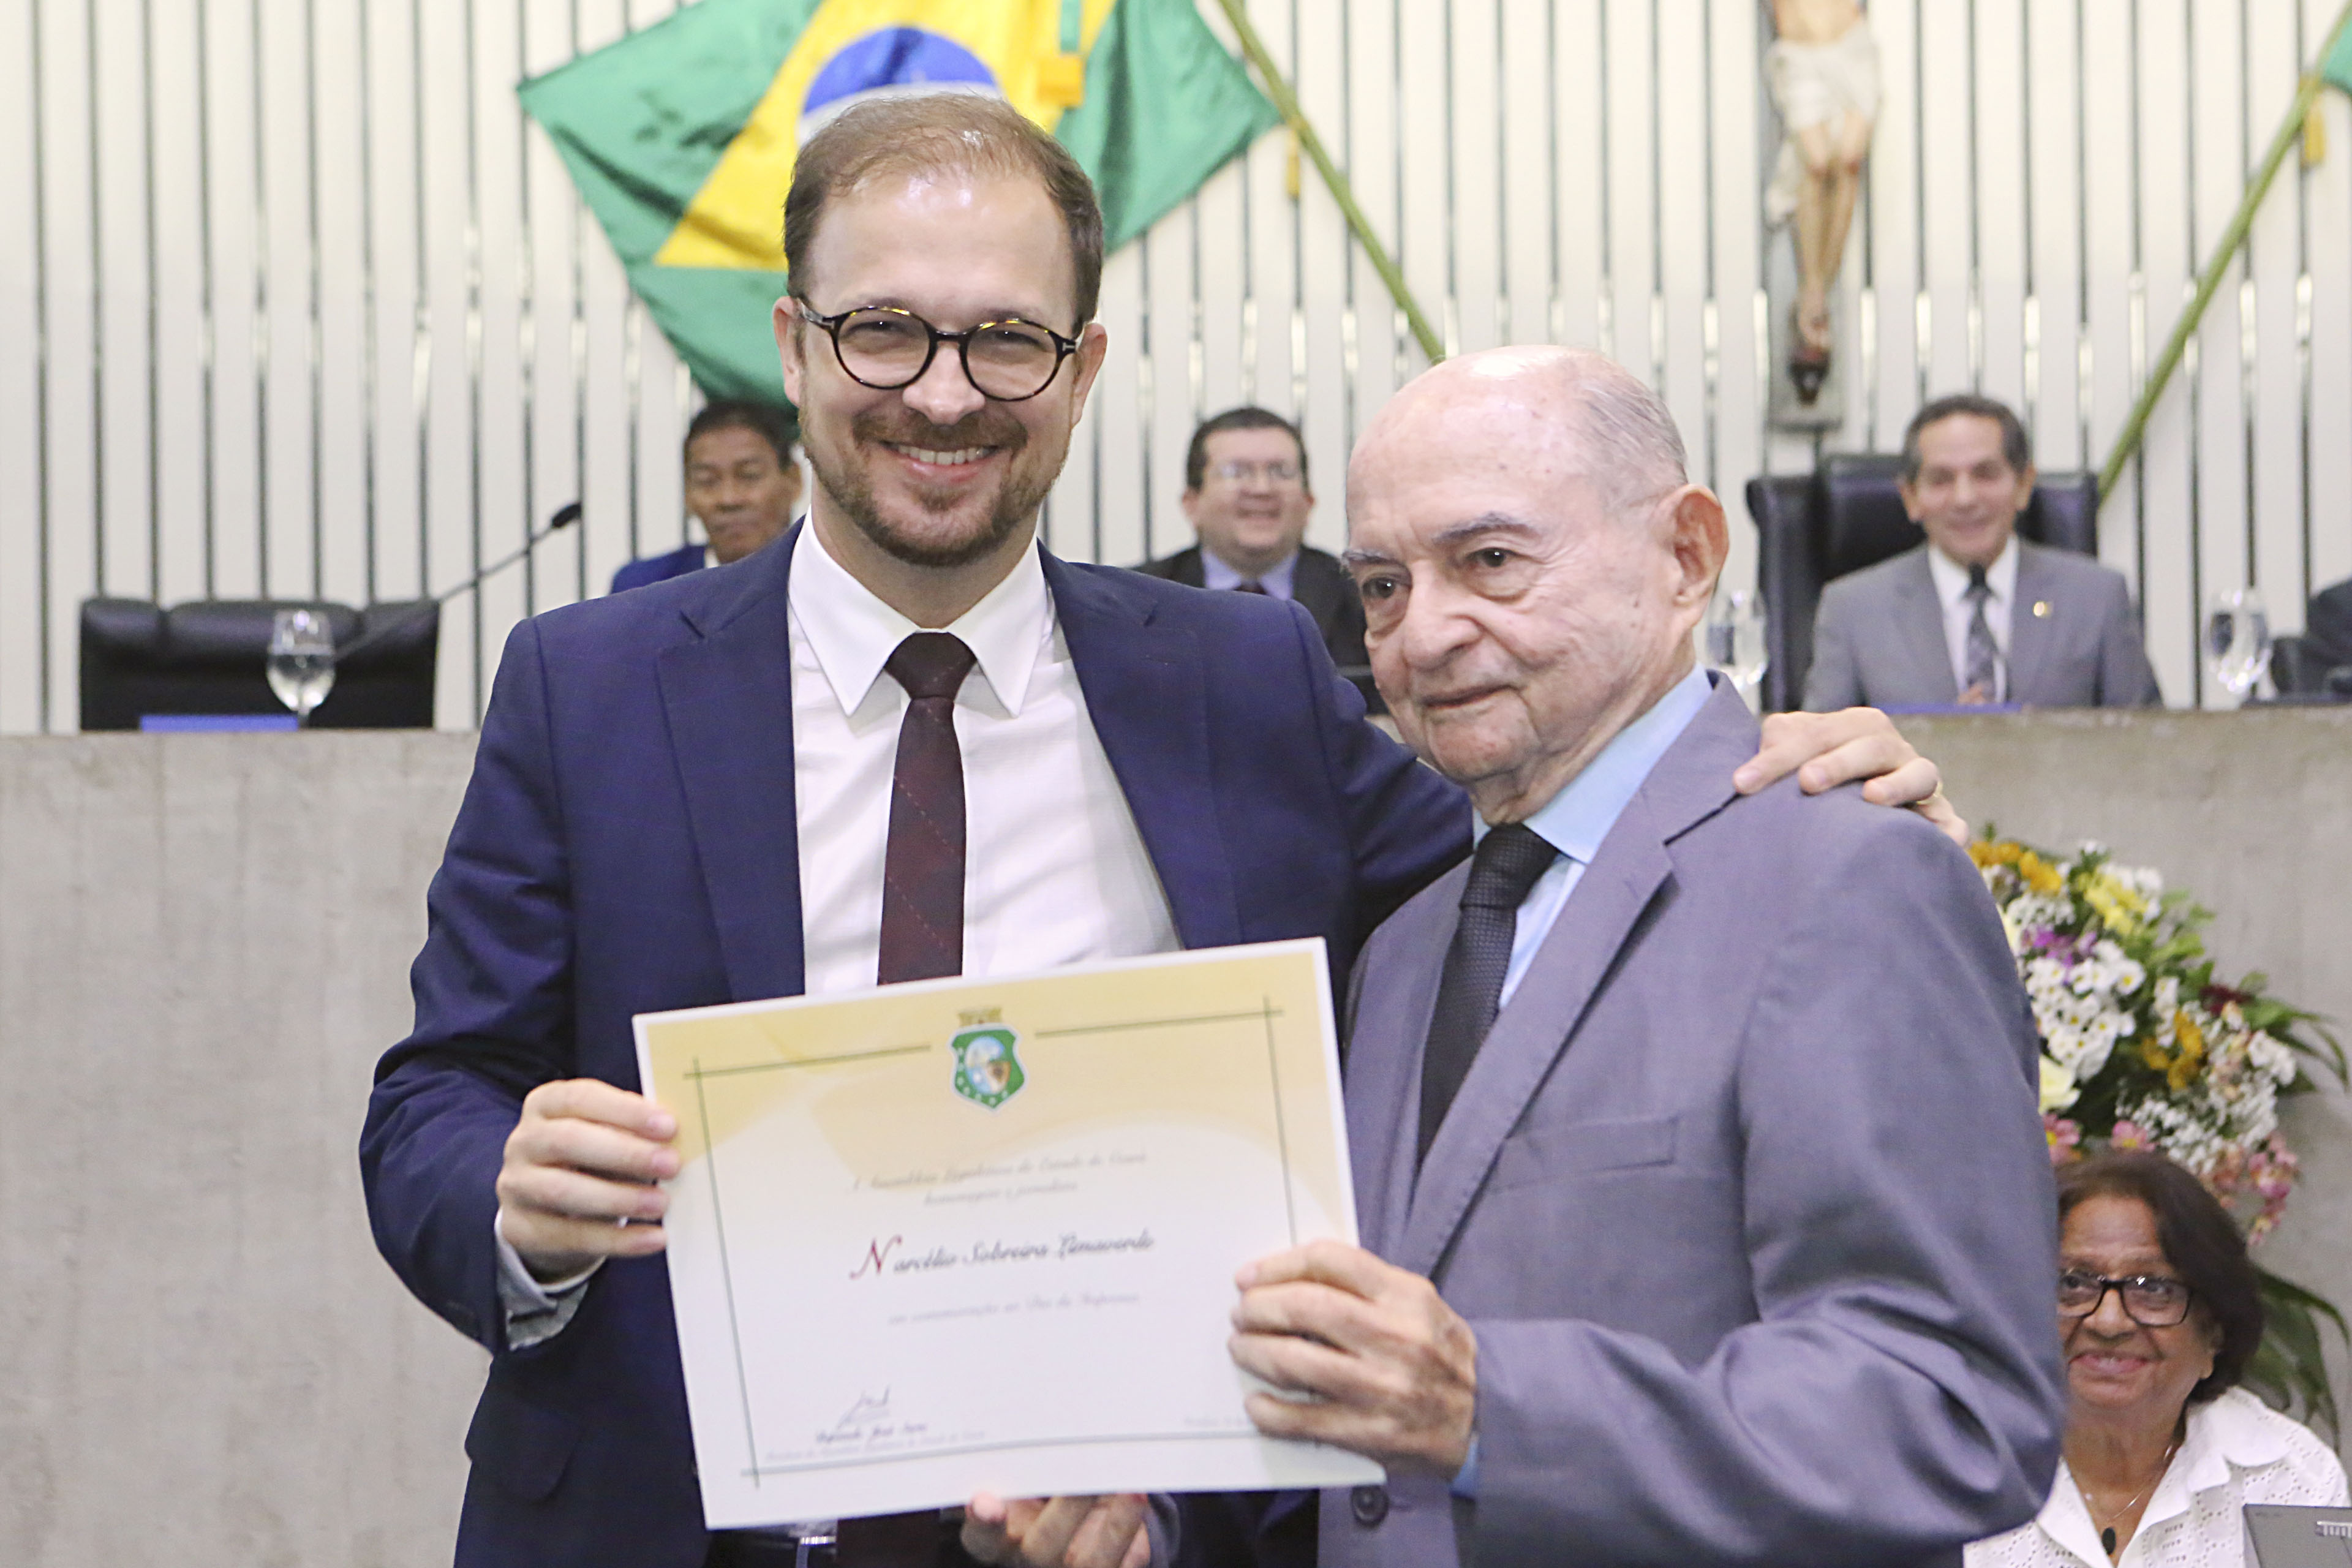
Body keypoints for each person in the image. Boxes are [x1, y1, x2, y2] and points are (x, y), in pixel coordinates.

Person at [361, 94, 1958, 1568]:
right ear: (794, 345)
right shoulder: (590, 685)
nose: (943, 392)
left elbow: (1542, 911)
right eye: (883, 331)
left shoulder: (1240, 679)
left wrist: (1779, 807)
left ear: (1082, 367)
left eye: (1007, 340)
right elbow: (435, 1092)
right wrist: (512, 1202)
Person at [1218, 347, 2066, 1567]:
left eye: (1490, 560)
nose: (1424, 634)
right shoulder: (1403, 948)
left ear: (1688, 555)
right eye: (1384, 586)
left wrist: (1495, 1412)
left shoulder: (1852, 877)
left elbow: (1950, 1405)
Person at [1967, 1152, 2348, 1566]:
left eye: (2154, 1289)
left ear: (2214, 1333)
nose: (2108, 1322)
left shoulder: (2289, 1477)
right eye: (2073, 1283)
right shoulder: (1951, 1461)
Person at [1805, 394, 2165, 710]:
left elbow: (2147, 744)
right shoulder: (1852, 609)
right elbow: (1819, 752)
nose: (1965, 499)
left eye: (1986, 474)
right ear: (1911, 498)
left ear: (2024, 485)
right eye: (1941, 479)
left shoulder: (2097, 597)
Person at [1132, 408, 1373, 701]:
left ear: (1309, 501)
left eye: (1280, 472)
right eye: (1236, 472)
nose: (1261, 489)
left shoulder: (1364, 596)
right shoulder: (1135, 600)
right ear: (1191, 503)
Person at [1765, 0, 1878, 401]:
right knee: (1815, 163)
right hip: (1801, 52)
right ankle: (1814, 293)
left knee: (1849, 161)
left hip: (1851, 46)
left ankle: (1814, 296)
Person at [609, 401, 803, 593]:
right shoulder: (644, 587)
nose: (728, 499)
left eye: (749, 476)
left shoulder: (817, 579)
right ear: (688, 493)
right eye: (707, 481)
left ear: (794, 480)